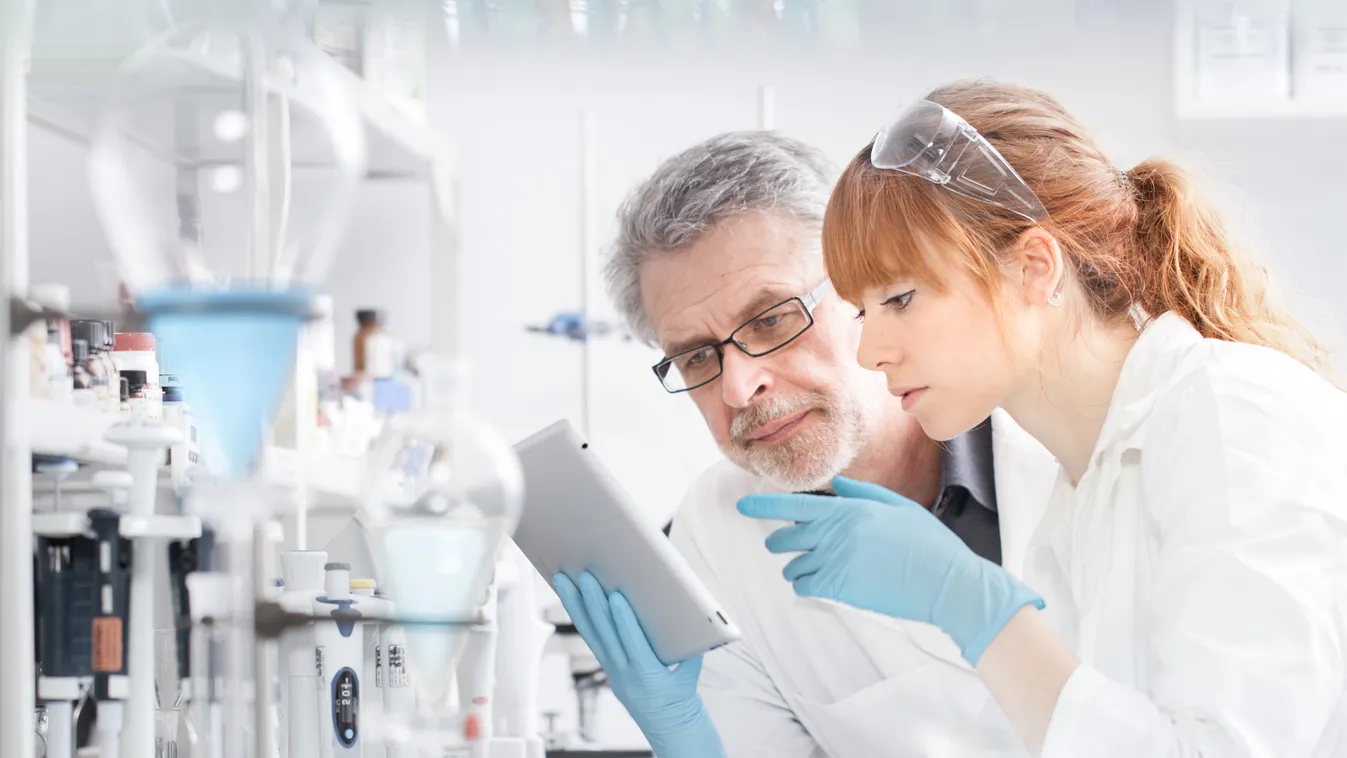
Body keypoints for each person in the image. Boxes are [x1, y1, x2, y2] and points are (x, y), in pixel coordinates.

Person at [734, 80, 1347, 758]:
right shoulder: (1075, 501)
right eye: (862, 310)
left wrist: (971, 607)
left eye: (901, 298)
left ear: (1033, 266)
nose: (870, 351)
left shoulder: (1232, 419)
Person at [551, 131, 1060, 757]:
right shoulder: (716, 534)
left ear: (862, 287)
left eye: (771, 319)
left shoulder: (1057, 448)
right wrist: (688, 742)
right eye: (696, 357)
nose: (738, 387)